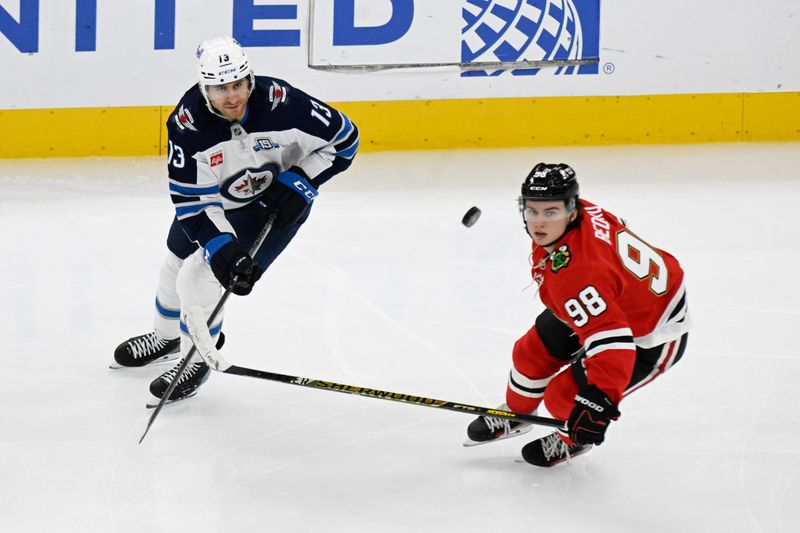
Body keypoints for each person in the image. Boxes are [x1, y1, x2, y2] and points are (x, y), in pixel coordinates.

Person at [112, 36, 359, 403]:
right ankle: (165, 339)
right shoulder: (187, 124)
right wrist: (220, 246)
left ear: (250, 79)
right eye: (219, 88)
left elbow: (345, 140)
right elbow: (191, 202)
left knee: (199, 278)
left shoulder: (284, 104)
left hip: (276, 206)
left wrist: (302, 180)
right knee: (174, 264)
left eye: (237, 85)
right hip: (216, 205)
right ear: (203, 87)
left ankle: (195, 358)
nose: (231, 96)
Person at [465, 163, 690, 467]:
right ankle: (518, 415)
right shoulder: (582, 215)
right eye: (532, 211)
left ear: (572, 210)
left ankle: (573, 440)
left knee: (564, 397)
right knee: (529, 354)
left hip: (651, 333)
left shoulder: (580, 274)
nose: (539, 223)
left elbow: (614, 344)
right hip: (608, 298)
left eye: (551, 212)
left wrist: (599, 402)